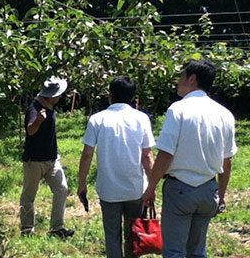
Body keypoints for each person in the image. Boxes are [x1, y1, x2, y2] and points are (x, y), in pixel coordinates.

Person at [142, 60, 238, 258]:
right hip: (208, 190)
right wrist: (220, 196)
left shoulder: (178, 110)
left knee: (175, 251)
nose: (178, 81)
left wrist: (150, 188)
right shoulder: (225, 114)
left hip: (180, 190)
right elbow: (227, 161)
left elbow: (165, 154)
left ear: (192, 79)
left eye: (181, 76)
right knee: (197, 250)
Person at [78, 75, 155, 258]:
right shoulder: (141, 118)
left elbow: (87, 154)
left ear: (109, 95)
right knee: (133, 235)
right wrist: (152, 186)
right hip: (135, 188)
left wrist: (82, 183)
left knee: (112, 236)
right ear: (134, 98)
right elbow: (147, 156)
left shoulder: (97, 119)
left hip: (109, 190)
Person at [19, 76, 74, 238]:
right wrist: (39, 121)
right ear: (50, 95)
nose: (60, 97)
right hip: (34, 161)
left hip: (51, 160)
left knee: (62, 189)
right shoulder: (34, 109)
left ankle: (57, 228)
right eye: (58, 94)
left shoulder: (49, 106)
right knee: (29, 196)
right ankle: (27, 230)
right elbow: (30, 130)